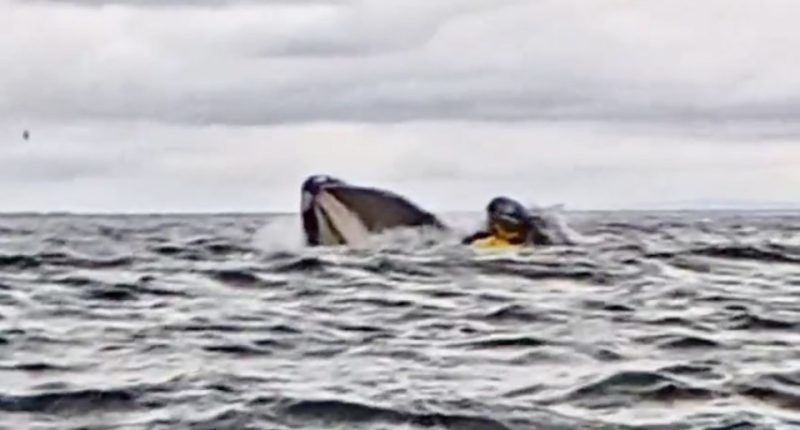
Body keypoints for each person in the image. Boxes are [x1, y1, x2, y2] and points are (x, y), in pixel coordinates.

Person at [462, 196, 553, 248]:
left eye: (509, 226)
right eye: (493, 226)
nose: (516, 235)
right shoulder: (478, 239)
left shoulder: (541, 241)